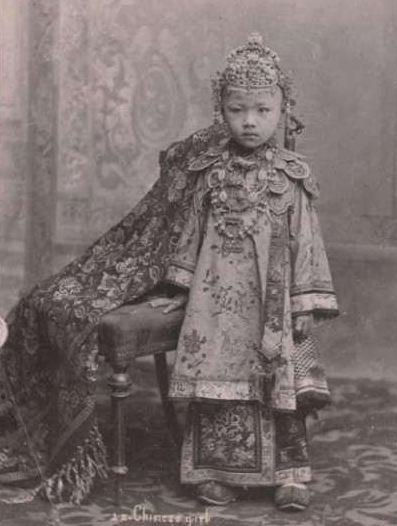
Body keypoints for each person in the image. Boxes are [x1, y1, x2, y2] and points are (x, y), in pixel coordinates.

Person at [149, 33, 339, 511]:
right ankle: (217, 472)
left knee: (280, 383)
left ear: (283, 108)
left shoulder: (291, 175)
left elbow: (308, 242)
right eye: (237, 110)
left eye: (262, 109)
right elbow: (189, 236)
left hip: (272, 303)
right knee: (218, 384)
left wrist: (303, 303)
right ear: (221, 110)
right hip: (215, 303)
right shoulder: (207, 173)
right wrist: (178, 287)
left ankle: (289, 474)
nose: (249, 121)